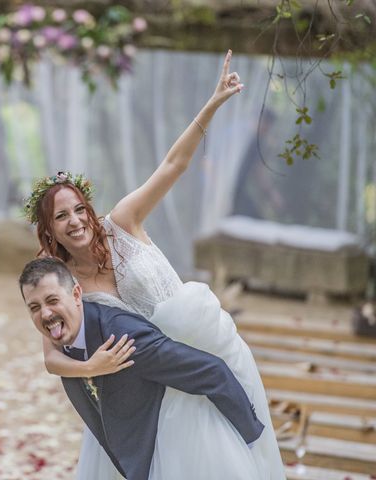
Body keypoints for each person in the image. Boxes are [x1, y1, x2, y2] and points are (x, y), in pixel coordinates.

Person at [23, 50, 285, 479]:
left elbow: (173, 165)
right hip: (149, 388)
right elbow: (51, 355)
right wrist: (91, 367)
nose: (75, 222)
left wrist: (214, 102)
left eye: (78, 210)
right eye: (61, 217)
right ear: (49, 230)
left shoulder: (122, 222)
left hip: (207, 349)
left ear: (89, 209)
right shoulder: (62, 280)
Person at [19, 257, 265, 480]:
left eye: (52, 300)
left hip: (180, 455)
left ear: (75, 295)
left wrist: (248, 441)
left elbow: (212, 371)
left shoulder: (123, 338)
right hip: (133, 459)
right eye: (35, 307)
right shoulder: (64, 342)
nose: (46, 313)